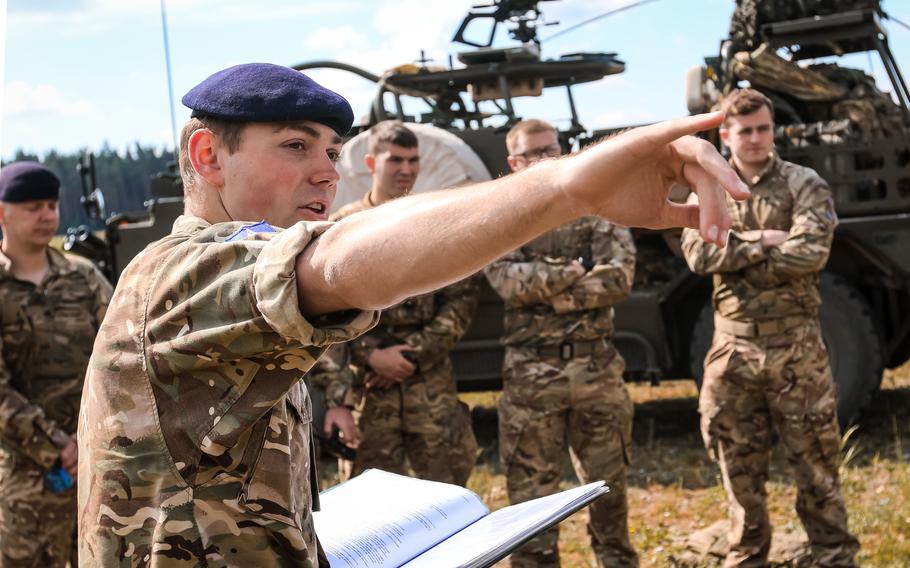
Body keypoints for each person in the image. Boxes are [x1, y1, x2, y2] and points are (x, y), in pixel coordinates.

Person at [77, 62, 748, 567]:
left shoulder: (220, 267)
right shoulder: (183, 272)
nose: (326, 173)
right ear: (207, 156)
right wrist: (568, 184)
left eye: (332, 153)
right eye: (294, 147)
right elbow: (336, 260)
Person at [681, 88, 859, 567]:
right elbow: (698, 255)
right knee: (739, 472)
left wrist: (734, 250)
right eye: (745, 131)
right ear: (725, 134)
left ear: (772, 128)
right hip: (732, 353)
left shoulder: (805, 184)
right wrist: (763, 240)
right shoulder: (709, 187)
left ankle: (833, 555)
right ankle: (748, 556)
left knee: (817, 469)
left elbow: (811, 253)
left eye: (762, 128)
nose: (756, 138)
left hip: (796, 350)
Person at [484, 119, 639, 568]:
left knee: (610, 495)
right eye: (535, 154)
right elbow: (507, 282)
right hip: (531, 378)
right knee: (531, 506)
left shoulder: (595, 205)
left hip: (598, 371)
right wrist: (575, 270)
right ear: (515, 163)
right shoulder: (501, 215)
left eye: (553, 148)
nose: (548, 159)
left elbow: (618, 278)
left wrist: (543, 284)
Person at [331, 120, 479, 486]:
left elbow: (462, 297)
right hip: (369, 394)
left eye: (413, 160)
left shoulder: (435, 222)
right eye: (395, 160)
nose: (406, 169)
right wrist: (371, 356)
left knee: (448, 494)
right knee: (370, 505)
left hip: (429, 387)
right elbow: (325, 309)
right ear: (371, 163)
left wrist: (412, 355)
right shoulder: (342, 227)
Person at [0, 162, 113, 567]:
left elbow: (121, 350)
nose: (47, 215)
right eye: (33, 206)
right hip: (25, 480)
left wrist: (91, 440)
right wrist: (58, 445)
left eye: (51, 205)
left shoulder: (83, 277)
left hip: (96, 465)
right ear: (2, 213)